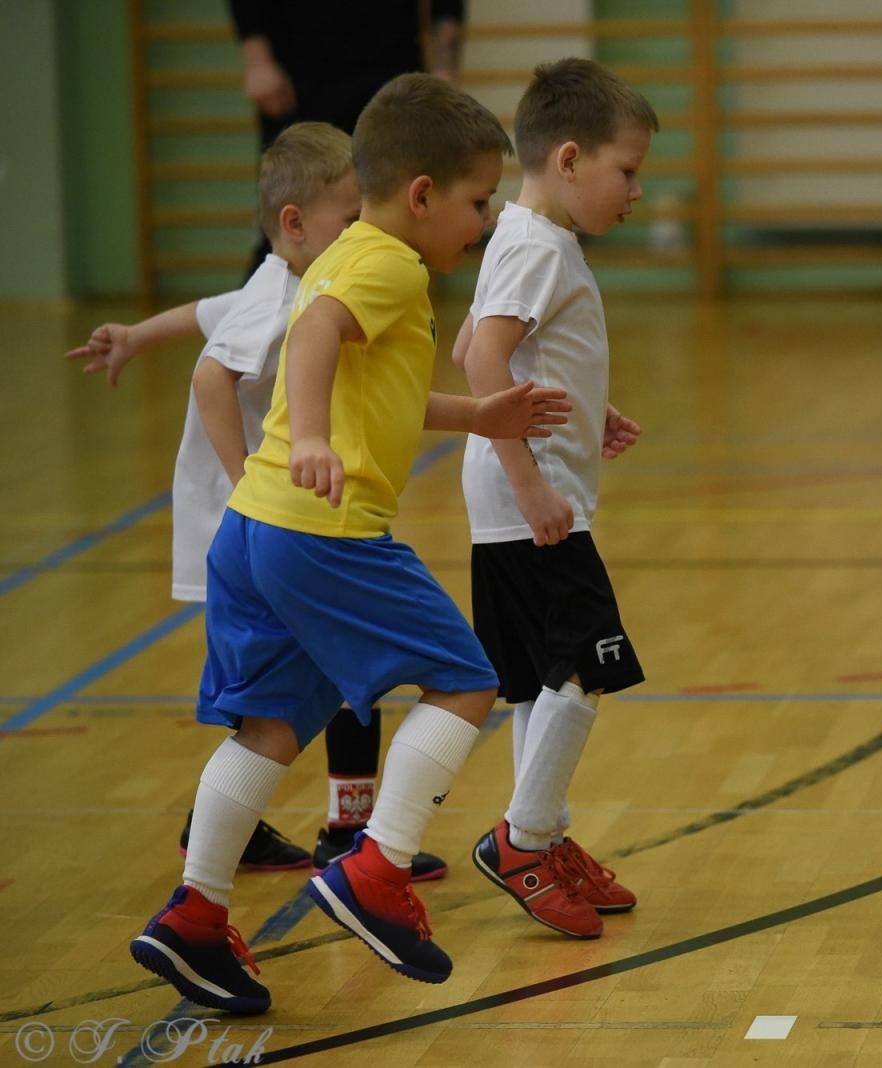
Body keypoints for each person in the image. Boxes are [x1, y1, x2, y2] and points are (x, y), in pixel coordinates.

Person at [129, 73, 571, 1014]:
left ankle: (196, 914)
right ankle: (377, 871)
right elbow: (315, 340)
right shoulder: (389, 265)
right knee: (465, 678)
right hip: (321, 536)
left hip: (251, 529)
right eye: (478, 201)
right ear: (421, 195)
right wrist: (320, 438)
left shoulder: (337, 256)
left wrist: (479, 412)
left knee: (273, 727)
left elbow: (384, 387)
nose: (486, 221)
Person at [66, 124, 449, 882]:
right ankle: (344, 829)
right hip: (259, 521)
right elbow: (212, 376)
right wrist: (248, 477)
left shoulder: (290, 283)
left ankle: (259, 829)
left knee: (298, 682)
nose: (363, 232)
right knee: (315, 676)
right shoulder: (285, 299)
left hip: (277, 521)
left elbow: (206, 313)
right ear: (295, 225)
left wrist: (136, 336)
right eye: (350, 219)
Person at [452, 58, 654, 939]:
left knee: (542, 679)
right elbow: (482, 361)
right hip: (529, 497)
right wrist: (532, 480)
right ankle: (522, 839)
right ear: (569, 159)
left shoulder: (518, 236)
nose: (637, 191)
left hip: (509, 490)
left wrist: (582, 405)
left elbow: (477, 340)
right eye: (629, 170)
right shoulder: (536, 245)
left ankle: (548, 834)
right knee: (584, 671)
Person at [230, 0, 465, 272]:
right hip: (300, 75)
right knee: (289, 215)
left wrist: (445, 67)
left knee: (392, 218)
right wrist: (257, 57)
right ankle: (276, 307)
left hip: (389, 67)